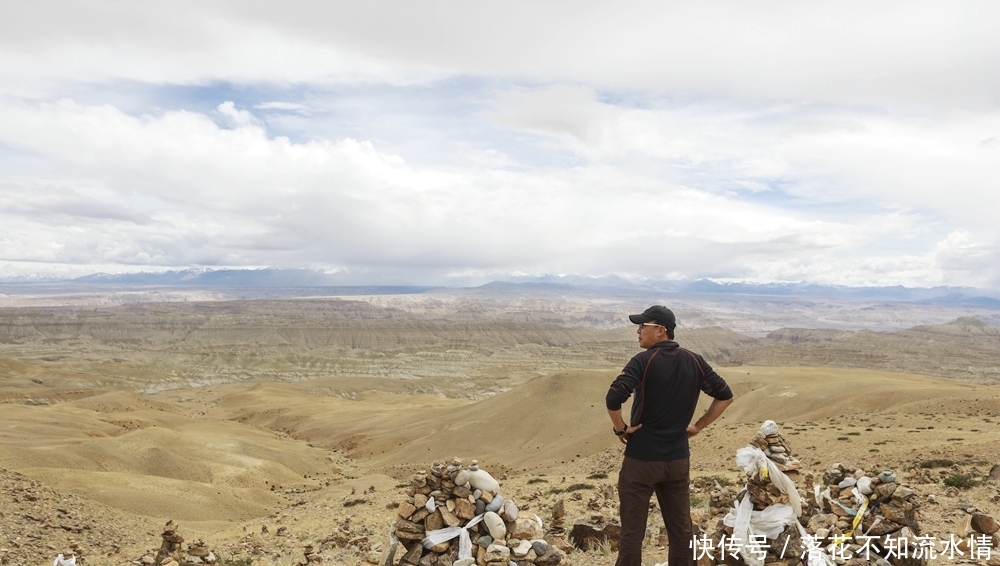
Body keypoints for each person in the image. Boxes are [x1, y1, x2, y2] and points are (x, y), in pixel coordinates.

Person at [606, 305, 734, 566]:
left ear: (661, 330)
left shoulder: (642, 361)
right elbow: (725, 396)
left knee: (632, 532)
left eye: (643, 326)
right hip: (677, 459)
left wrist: (621, 429)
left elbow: (613, 397)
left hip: (641, 460)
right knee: (681, 530)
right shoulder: (694, 360)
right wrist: (697, 426)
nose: (638, 332)